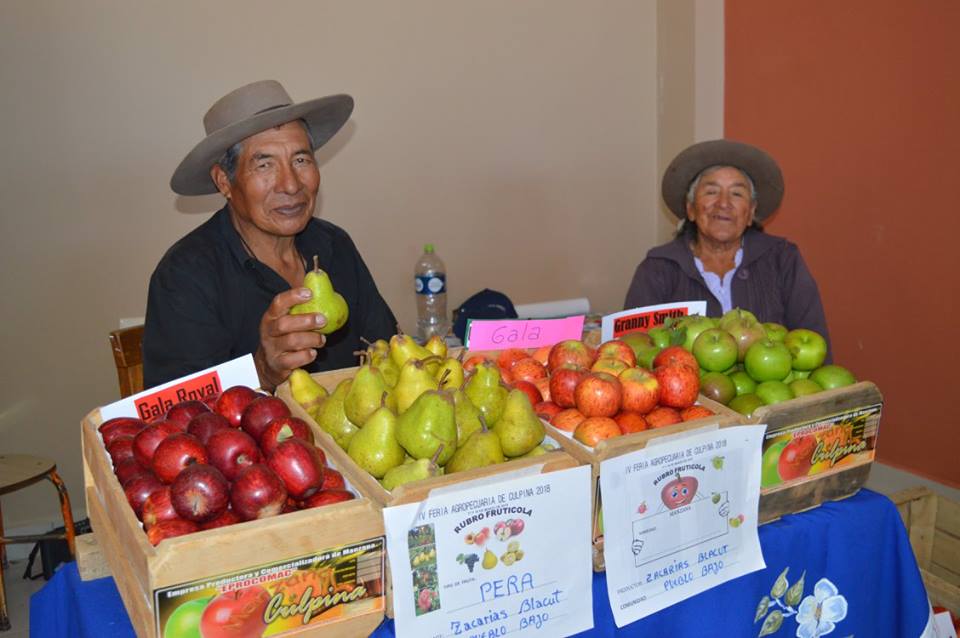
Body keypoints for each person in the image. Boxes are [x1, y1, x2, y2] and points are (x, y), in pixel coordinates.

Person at [144, 80, 396, 391]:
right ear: (224, 181)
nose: (290, 185)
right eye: (264, 165)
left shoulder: (334, 245)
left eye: (301, 160)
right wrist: (262, 372)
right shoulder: (186, 275)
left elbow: (385, 351)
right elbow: (176, 418)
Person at [624, 139, 831, 352]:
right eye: (711, 192)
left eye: (737, 193)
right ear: (691, 209)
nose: (723, 203)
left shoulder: (782, 259)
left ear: (750, 212)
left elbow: (816, 346)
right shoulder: (658, 268)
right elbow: (635, 351)